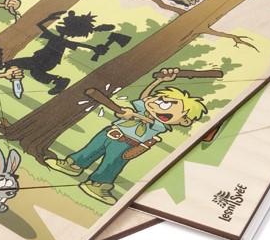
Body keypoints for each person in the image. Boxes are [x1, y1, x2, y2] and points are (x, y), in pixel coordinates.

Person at [44, 68, 207, 205]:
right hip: (109, 133)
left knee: (111, 164)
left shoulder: (160, 125)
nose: (156, 103)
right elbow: (144, 97)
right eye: (159, 100)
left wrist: (132, 114)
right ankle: (73, 165)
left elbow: (149, 121)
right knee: (90, 150)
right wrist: (158, 81)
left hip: (126, 144)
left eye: (166, 105)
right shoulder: (144, 108)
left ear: (184, 120)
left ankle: (98, 185)